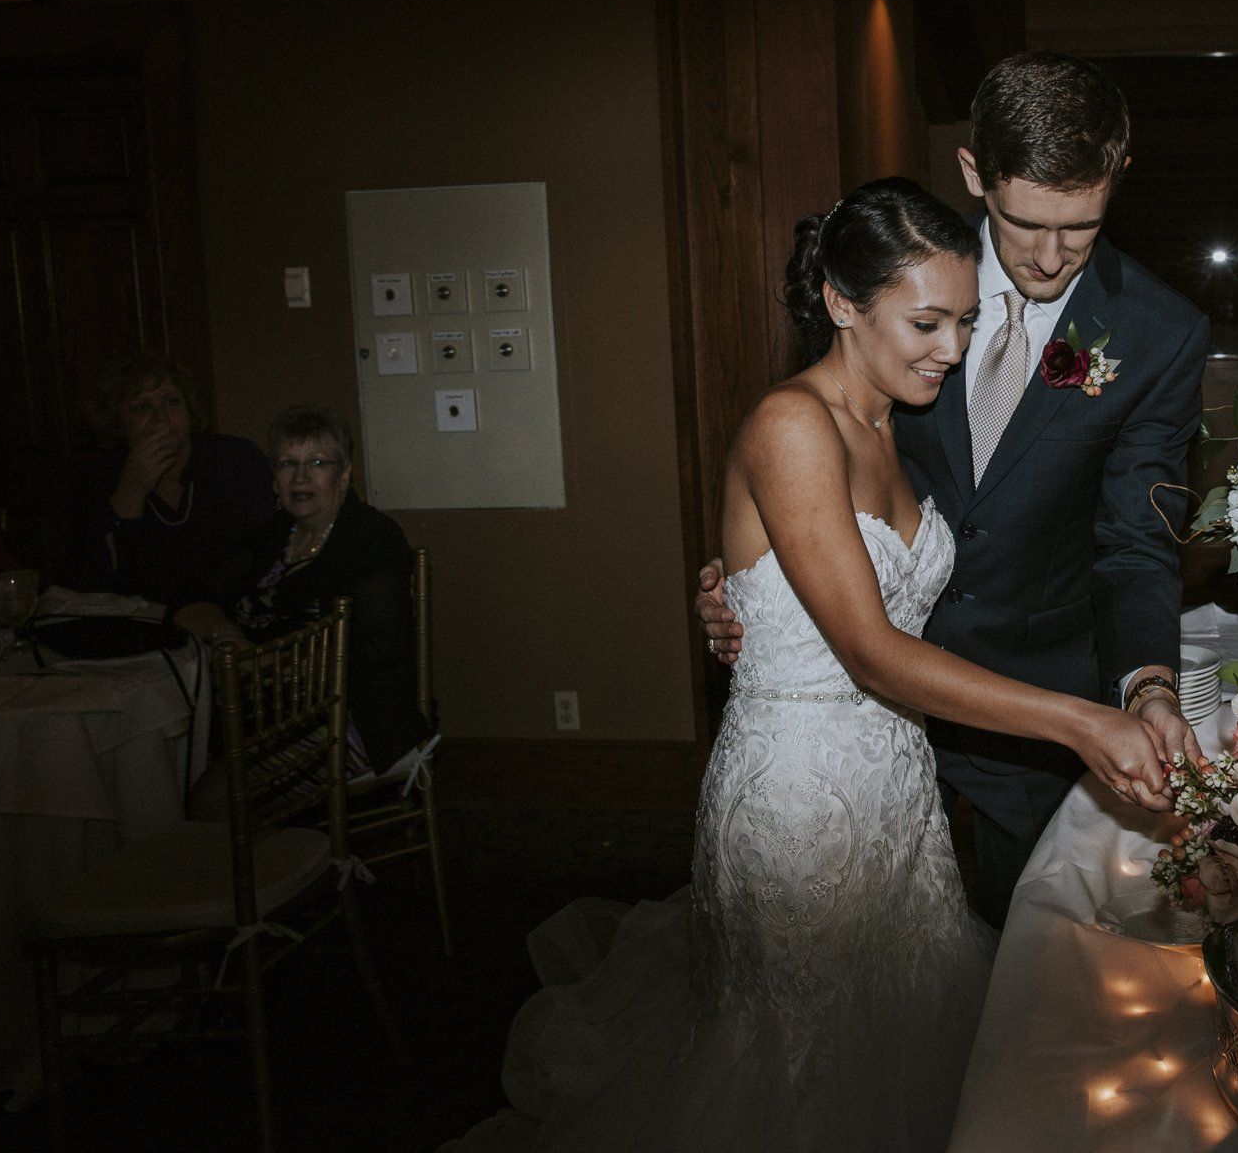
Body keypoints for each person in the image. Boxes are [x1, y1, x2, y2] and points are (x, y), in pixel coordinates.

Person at [446, 178, 1169, 1153]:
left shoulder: (900, 420)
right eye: (924, 322)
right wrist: (1082, 720)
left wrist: (732, 591)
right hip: (797, 796)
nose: (950, 349)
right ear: (840, 302)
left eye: (962, 320)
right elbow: (870, 648)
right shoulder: (793, 425)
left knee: (903, 1036)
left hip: (895, 782)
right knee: (796, 1065)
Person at [697, 51, 1211, 925]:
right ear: (976, 173)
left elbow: (1133, 542)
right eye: (1023, 223)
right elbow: (813, 458)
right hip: (853, 718)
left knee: (1023, 989)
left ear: (1118, 178)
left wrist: (1146, 687)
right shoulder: (899, 278)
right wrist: (759, 579)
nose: (1050, 259)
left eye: (1080, 228)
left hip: (1035, 720)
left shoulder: (1159, 334)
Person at [175, 405, 427, 780]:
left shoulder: (371, 537)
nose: (300, 477)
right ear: (274, 480)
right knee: (169, 762)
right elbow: (193, 599)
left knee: (214, 791)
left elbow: (377, 649)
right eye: (287, 464)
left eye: (318, 463)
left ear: (343, 475)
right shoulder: (273, 535)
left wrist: (263, 660)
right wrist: (227, 635)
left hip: (351, 719)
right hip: (255, 712)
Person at [61, 351, 274, 607]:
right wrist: (131, 492)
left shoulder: (234, 459)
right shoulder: (100, 478)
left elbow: (262, 555)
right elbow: (93, 584)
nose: (160, 418)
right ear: (119, 422)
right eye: (142, 407)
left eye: (171, 402)